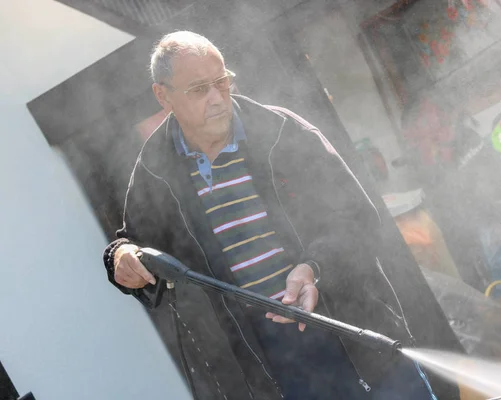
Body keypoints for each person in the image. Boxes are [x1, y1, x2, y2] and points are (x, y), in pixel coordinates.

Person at [102, 31, 456, 400]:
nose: (216, 98)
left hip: (355, 332)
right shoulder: (154, 170)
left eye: (222, 82)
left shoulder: (283, 131)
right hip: (274, 367)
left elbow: (358, 219)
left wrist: (314, 268)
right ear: (163, 95)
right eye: (198, 89)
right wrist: (121, 257)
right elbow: (132, 243)